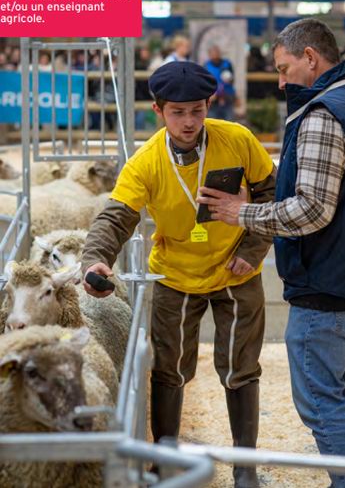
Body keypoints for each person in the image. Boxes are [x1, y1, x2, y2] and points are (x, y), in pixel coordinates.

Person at [81, 61, 276, 488]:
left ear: (209, 104)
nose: (188, 122)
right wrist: (95, 260)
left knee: (241, 368)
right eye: (177, 113)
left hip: (236, 272)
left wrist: (253, 246)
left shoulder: (237, 139)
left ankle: (245, 467)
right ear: (158, 110)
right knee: (168, 370)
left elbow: (270, 191)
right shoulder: (146, 160)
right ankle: (162, 462)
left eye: (196, 111)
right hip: (173, 276)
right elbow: (116, 217)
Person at [197, 18, 345, 488]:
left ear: (311, 58)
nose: (281, 81)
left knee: (323, 402)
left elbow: (312, 210)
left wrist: (241, 213)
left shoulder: (325, 114)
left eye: (285, 69)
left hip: (326, 285)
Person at [204, 44, 238, 121]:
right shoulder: (206, 66)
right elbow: (204, 84)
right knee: (213, 124)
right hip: (213, 101)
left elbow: (232, 81)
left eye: (217, 52)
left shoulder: (227, 64)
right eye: (213, 52)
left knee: (229, 123)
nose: (215, 54)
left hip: (227, 98)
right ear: (209, 54)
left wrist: (235, 97)